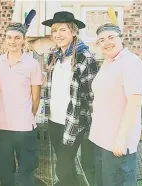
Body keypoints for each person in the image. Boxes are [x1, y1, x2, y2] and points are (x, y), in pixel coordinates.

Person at [41, 11, 99, 186]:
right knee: (65, 163)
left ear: (73, 31)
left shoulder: (85, 57)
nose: (57, 34)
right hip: (53, 118)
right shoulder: (54, 55)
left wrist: (95, 120)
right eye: (54, 31)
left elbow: (92, 94)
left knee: (62, 168)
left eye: (62, 30)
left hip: (74, 120)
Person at [89, 23, 142, 186]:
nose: (106, 42)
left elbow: (134, 103)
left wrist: (121, 138)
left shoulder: (131, 63)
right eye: (101, 40)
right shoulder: (107, 62)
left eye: (111, 37)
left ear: (121, 38)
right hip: (100, 139)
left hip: (117, 142)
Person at [0, 11, 43, 186]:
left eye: (16, 38)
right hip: (3, 125)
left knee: (26, 169)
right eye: (9, 37)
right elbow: (0, 90)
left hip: (24, 127)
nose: (12, 41)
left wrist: (28, 116)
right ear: (5, 39)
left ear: (23, 40)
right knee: (3, 167)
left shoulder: (32, 64)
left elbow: (36, 97)